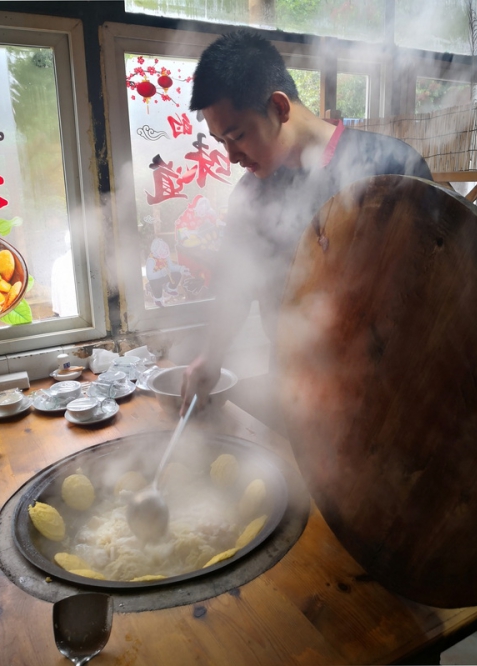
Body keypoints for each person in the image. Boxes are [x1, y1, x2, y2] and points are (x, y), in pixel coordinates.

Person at [180, 29, 432, 415]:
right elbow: (235, 288)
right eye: (220, 141)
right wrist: (209, 357)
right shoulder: (250, 196)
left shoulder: (391, 167)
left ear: (279, 108)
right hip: (293, 395)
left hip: (388, 402)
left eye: (238, 135)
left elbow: (436, 288)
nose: (231, 157)